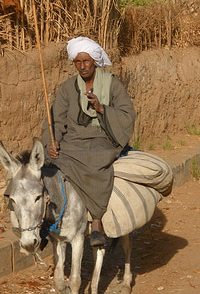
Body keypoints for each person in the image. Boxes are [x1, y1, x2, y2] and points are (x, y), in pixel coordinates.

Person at [41, 36, 136, 247]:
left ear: (94, 61)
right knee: (47, 161)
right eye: (77, 62)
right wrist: (52, 142)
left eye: (86, 61)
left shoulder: (112, 84)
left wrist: (102, 109)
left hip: (103, 139)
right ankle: (48, 220)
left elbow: (127, 114)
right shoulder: (68, 88)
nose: (82, 66)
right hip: (73, 140)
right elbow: (55, 119)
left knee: (95, 161)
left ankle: (96, 222)